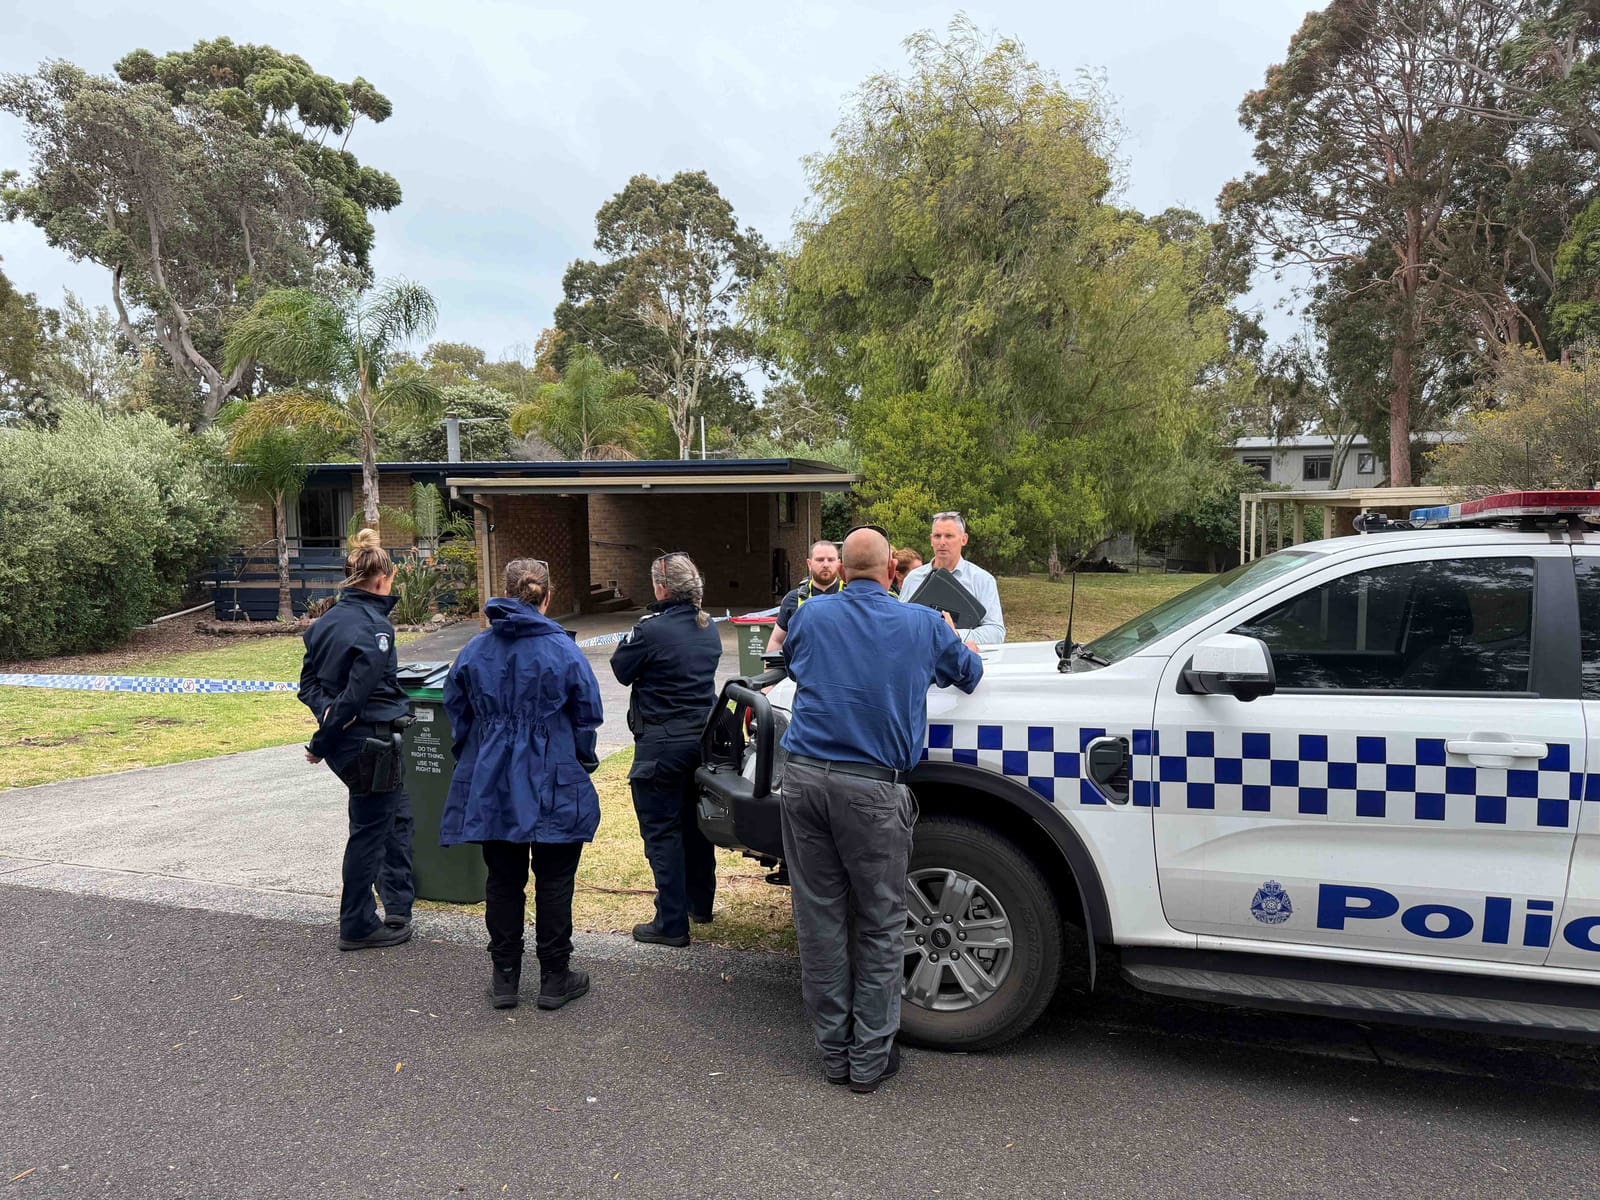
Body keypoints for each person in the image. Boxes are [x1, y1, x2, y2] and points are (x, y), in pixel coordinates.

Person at [779, 526, 984, 1093]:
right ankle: (869, 1060)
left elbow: (795, 666)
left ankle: (832, 1053)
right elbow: (969, 675)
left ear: (841, 571)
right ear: (893, 570)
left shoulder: (811, 615)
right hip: (872, 791)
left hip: (803, 782)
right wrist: (954, 640)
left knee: (819, 919)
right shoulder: (923, 624)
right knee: (880, 922)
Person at [440, 558, 602, 1011]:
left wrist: (477, 752)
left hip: (493, 777)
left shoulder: (476, 649)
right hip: (553, 774)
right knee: (555, 878)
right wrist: (581, 757)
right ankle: (554, 976)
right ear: (547, 597)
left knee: (503, 878)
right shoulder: (564, 650)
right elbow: (587, 715)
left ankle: (505, 977)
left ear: (508, 592)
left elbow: (457, 709)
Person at [298, 528, 415, 952]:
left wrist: (327, 716)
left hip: (356, 744)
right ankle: (358, 924)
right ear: (383, 578)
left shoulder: (323, 623)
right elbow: (357, 694)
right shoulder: (375, 627)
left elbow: (308, 685)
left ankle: (397, 906)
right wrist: (325, 736)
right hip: (369, 743)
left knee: (394, 818)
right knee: (369, 833)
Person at [610, 552, 724, 946]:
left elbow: (621, 669)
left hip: (662, 744)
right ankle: (700, 903)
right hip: (702, 742)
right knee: (696, 827)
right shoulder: (707, 627)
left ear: (661, 588)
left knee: (662, 831)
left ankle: (671, 922)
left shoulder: (650, 630)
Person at [898, 511, 1005, 645]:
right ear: (931, 540)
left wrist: (955, 635)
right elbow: (899, 623)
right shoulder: (913, 578)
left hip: (960, 657)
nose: (942, 542)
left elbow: (996, 632)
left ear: (964, 539)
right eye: (937, 536)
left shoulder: (982, 580)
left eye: (949, 536)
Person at [766, 539, 842, 653]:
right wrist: (769, 664)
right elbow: (776, 641)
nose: (826, 565)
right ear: (809, 564)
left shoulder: (852, 595)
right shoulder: (793, 599)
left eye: (831, 560)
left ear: (838, 564)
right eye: (820, 560)